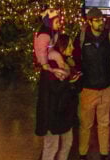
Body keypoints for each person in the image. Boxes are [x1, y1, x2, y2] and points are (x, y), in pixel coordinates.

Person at [76, 7, 110, 160]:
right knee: (85, 125)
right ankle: (82, 154)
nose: (101, 22)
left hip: (106, 89)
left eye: (102, 19)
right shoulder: (82, 38)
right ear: (89, 22)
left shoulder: (108, 36)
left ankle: (103, 154)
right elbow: (76, 60)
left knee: (104, 124)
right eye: (97, 20)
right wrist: (80, 85)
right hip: (88, 89)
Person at [35, 32, 80, 160]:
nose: (72, 47)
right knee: (52, 147)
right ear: (61, 46)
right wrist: (69, 80)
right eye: (69, 45)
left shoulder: (67, 63)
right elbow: (55, 89)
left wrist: (72, 79)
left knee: (67, 143)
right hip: (52, 116)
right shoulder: (52, 67)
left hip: (64, 115)